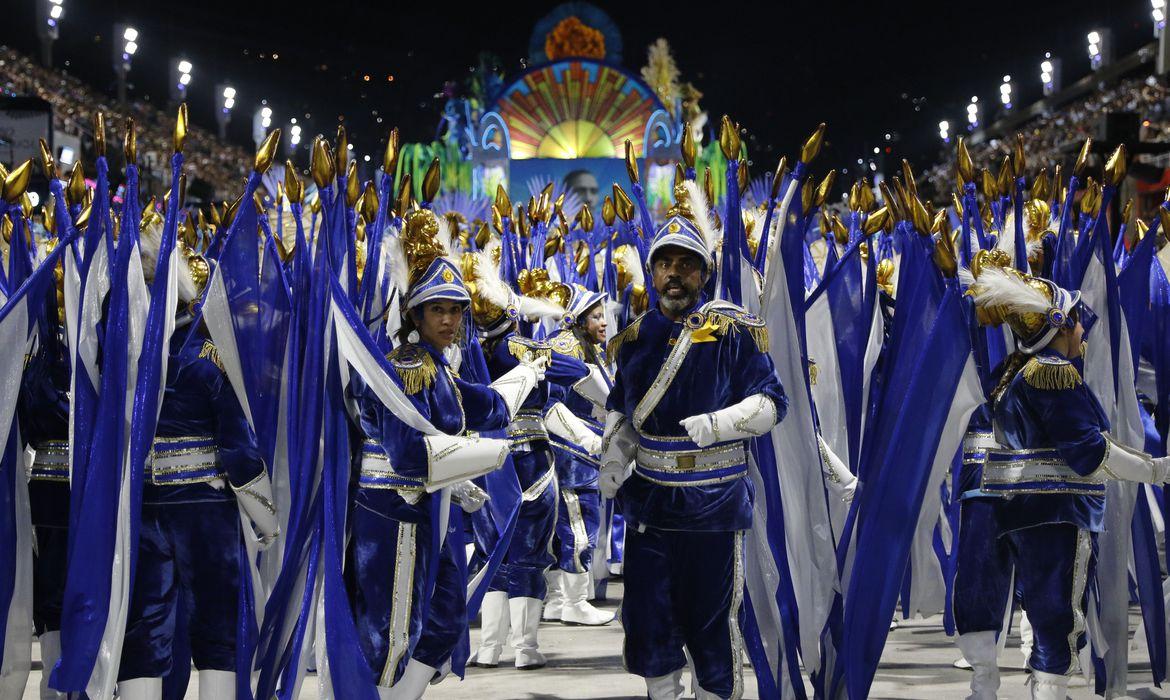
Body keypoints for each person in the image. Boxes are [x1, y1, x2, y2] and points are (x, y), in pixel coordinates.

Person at [348, 208, 544, 699]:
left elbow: (488, 406)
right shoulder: (404, 368)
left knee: (446, 617)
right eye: (438, 309)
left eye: (456, 310)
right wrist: (489, 456)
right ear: (414, 314)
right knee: (391, 633)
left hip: (425, 512)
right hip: (392, 514)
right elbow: (411, 456)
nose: (450, 319)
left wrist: (530, 372)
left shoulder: (438, 370)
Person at [599, 211, 787, 700]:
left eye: (687, 264)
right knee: (648, 619)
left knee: (711, 627)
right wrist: (614, 457)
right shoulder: (634, 339)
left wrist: (720, 424)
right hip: (650, 505)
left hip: (712, 504)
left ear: (704, 273)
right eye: (665, 264)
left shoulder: (734, 330)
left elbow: (772, 403)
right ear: (652, 272)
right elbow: (623, 411)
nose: (674, 274)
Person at [965, 259, 1170, 700]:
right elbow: (1090, 451)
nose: (1084, 329)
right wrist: (1156, 470)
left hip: (1021, 514)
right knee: (1057, 619)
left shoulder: (1013, 372)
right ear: (1059, 327)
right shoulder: (1054, 374)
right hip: (1057, 513)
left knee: (1044, 616)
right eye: (1076, 320)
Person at [117, 222, 280, 700]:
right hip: (204, 509)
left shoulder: (128, 354)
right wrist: (265, 516)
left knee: (144, 629)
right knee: (218, 631)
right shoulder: (209, 356)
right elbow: (237, 448)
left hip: (144, 506)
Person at [461, 250, 590, 670]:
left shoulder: (464, 352)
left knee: (490, 552)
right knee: (529, 553)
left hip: (482, 461)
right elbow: (572, 372)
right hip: (529, 460)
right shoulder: (519, 347)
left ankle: (489, 647)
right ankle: (525, 648)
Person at [541, 284, 614, 626]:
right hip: (571, 454)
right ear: (579, 319)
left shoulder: (586, 349)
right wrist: (585, 439)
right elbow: (551, 404)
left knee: (570, 526)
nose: (604, 323)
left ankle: (558, 600)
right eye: (597, 316)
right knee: (578, 527)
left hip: (581, 454)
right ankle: (575, 601)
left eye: (605, 316)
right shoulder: (566, 347)